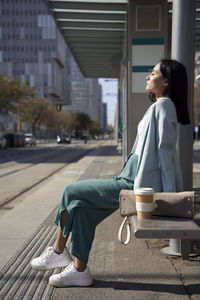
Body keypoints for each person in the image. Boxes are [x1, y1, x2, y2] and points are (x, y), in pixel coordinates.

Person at [31, 59, 190, 287]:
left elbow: (165, 152)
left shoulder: (164, 106)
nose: (148, 76)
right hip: (128, 176)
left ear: (165, 81)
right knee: (83, 210)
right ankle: (79, 270)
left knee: (70, 191)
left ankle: (58, 250)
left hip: (136, 182)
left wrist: (168, 198)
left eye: (153, 72)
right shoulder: (158, 106)